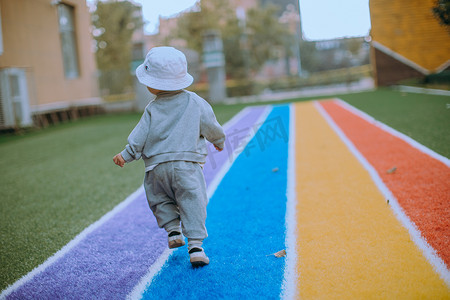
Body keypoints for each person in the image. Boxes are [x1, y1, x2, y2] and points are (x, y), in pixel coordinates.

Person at [113, 46, 225, 267]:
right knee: (193, 202)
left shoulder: (151, 109)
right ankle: (195, 247)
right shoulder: (195, 102)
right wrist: (219, 142)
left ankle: (173, 230)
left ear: (153, 84)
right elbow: (211, 126)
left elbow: (139, 137)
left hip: (156, 168)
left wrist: (126, 155)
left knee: (160, 199)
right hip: (187, 167)